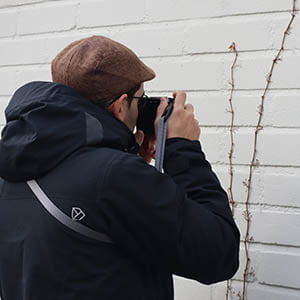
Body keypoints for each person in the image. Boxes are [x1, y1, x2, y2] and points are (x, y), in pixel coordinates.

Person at [0, 36, 240, 300]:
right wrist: (183, 148)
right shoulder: (114, 176)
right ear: (119, 106)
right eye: (141, 98)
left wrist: (131, 162)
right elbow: (218, 254)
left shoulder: (13, 166)